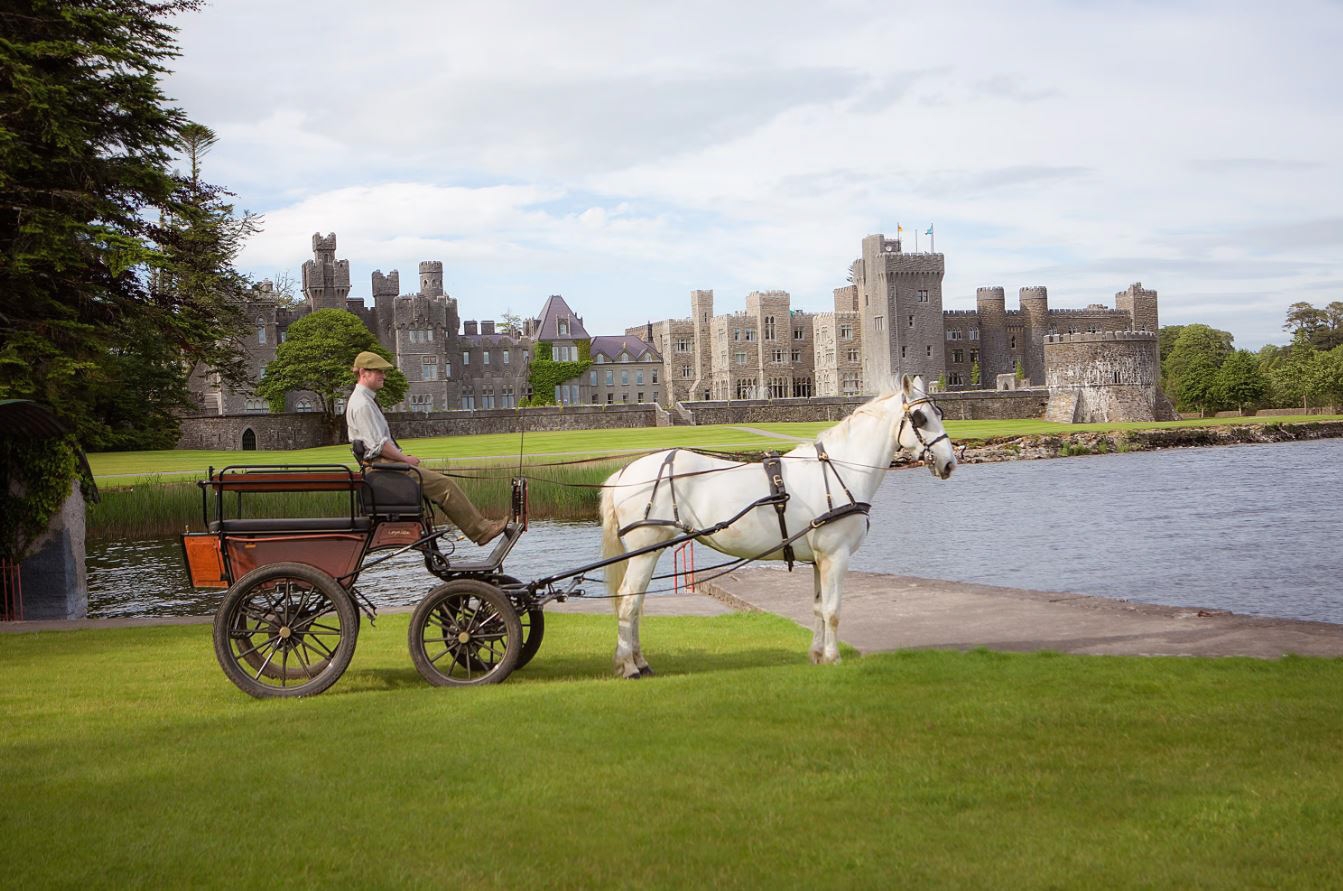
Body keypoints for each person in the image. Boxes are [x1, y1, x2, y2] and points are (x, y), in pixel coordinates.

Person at [344, 351, 507, 545]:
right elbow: (379, 446)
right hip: (383, 468)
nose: (383, 376)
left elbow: (379, 443)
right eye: (378, 371)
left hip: (383, 466)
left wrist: (401, 458)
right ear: (364, 372)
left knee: (438, 481)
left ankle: (479, 529)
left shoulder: (363, 400)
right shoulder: (363, 404)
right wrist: (404, 460)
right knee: (445, 486)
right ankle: (481, 531)